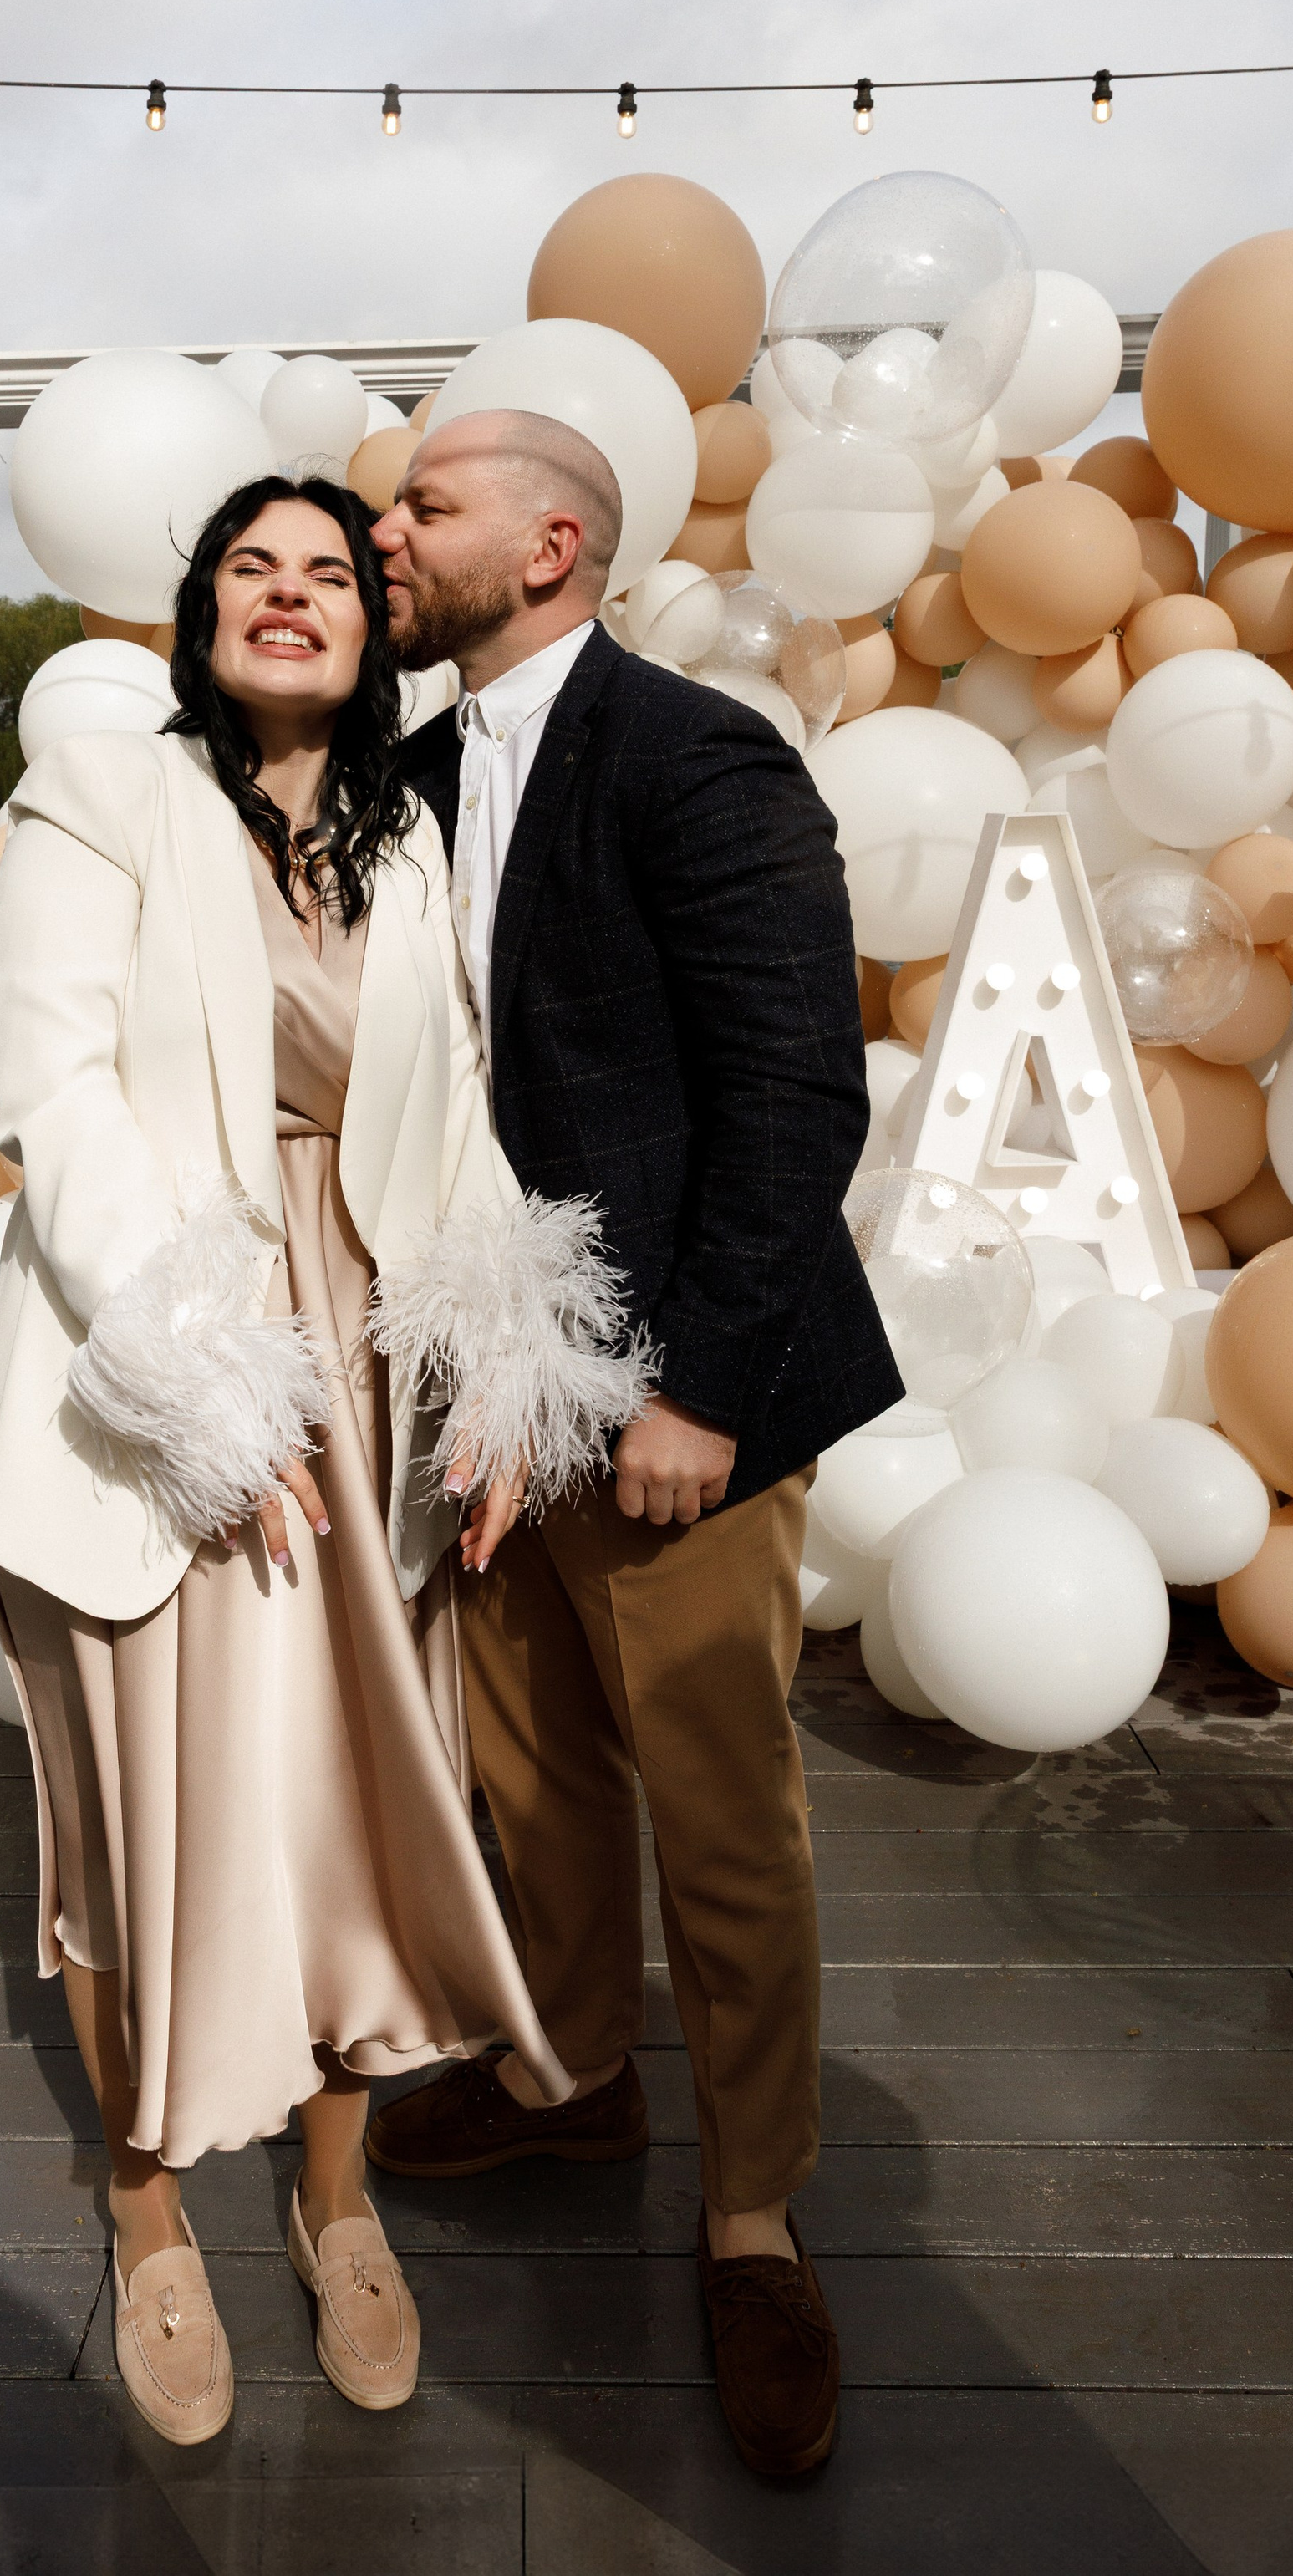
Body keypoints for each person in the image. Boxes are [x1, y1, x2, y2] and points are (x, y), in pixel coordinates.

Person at [0, 474, 646, 2448]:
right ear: (198, 618)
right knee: (135, 1827)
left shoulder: (405, 838)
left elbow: (452, 1131)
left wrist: (512, 1367)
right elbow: (61, 1098)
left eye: (329, 572)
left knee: (367, 1806)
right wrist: (201, 1372)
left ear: (372, 623)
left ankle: (339, 2202)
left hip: (363, 1390)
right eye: (249, 567)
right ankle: (149, 2197)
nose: (290, 593)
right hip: (160, 1368)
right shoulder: (100, 800)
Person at [364, 410, 900, 2478]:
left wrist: (694, 1386)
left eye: (423, 506)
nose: (389, 533)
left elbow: (791, 1094)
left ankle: (754, 2211)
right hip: (487, 1379)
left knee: (723, 1812)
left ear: (553, 539)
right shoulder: (401, 779)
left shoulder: (697, 752)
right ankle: (573, 2063)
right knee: (529, 1765)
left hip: (677, 1386)